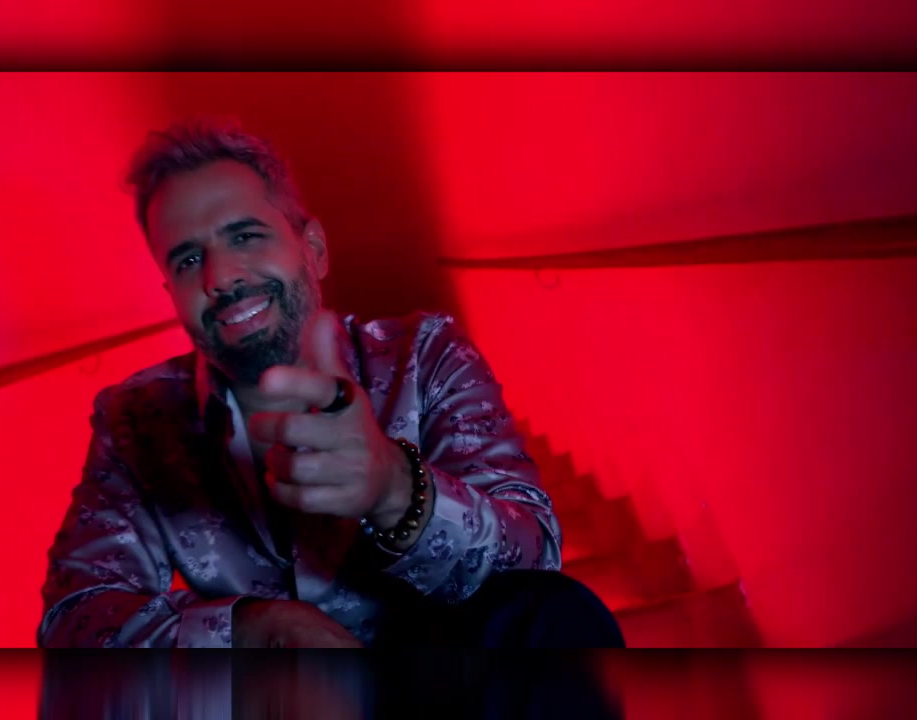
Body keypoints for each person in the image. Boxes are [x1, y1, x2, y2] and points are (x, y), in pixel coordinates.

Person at [37, 117, 624, 648]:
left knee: (558, 617)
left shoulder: (426, 354)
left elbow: (532, 562)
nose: (221, 276)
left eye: (246, 236)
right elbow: (74, 621)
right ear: (171, 294)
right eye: (188, 260)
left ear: (313, 249)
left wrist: (394, 489)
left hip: (450, 688)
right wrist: (253, 629)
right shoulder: (136, 421)